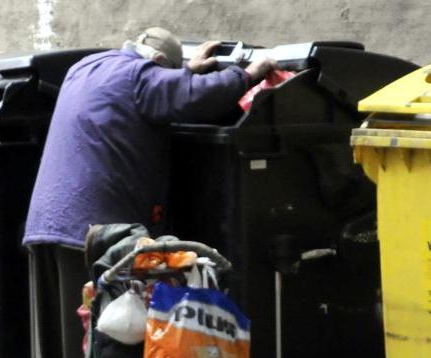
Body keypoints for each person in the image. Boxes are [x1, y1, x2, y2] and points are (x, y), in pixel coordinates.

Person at [24, 27, 277, 358]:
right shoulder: (139, 77)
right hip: (95, 232)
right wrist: (247, 74)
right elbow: (197, 97)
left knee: (59, 336)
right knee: (100, 332)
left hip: (47, 223)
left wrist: (185, 73)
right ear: (157, 62)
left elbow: (164, 90)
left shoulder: (86, 67)